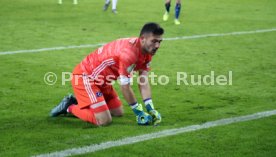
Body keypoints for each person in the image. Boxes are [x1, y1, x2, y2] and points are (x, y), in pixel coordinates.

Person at [50, 22, 163, 126]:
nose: (157, 45)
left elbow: (143, 81)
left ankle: (87, 102)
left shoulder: (147, 51)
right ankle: (69, 106)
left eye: (159, 41)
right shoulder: (129, 54)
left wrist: (150, 108)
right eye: (154, 41)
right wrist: (138, 112)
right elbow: (125, 87)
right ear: (143, 39)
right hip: (86, 77)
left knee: (118, 112)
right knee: (104, 120)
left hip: (104, 81)